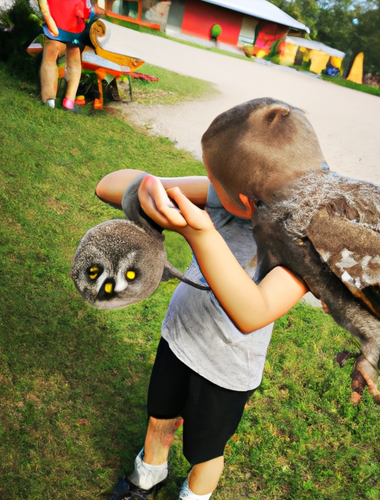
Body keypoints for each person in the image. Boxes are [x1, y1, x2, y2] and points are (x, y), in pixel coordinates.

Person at [96, 168, 279, 500]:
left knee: (206, 450)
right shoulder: (223, 195)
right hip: (179, 338)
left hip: (229, 370)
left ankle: (193, 497)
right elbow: (107, 187)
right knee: (160, 416)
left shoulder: (297, 235)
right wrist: (155, 195)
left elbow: (253, 315)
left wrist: (196, 232)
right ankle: (147, 478)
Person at [38, 0, 103, 111]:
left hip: (55, 21)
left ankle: (49, 100)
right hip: (74, 26)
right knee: (74, 58)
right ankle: (69, 101)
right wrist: (93, 11)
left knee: (51, 55)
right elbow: (86, 11)